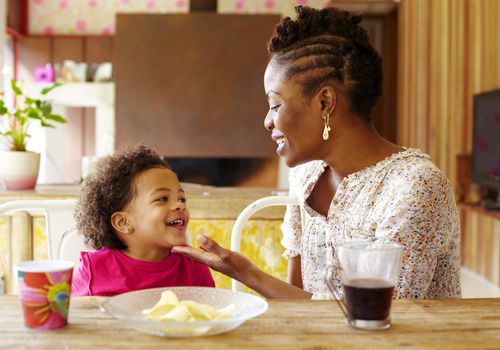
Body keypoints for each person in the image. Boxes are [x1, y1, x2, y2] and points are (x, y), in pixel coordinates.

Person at [173, 5, 461, 300]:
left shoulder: (416, 188)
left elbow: (377, 320)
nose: (267, 120)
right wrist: (245, 273)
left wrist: (251, 276)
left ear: (325, 102)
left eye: (275, 104)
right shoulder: (306, 175)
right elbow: (301, 301)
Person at [71, 144, 215, 296]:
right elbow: (76, 315)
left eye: (182, 199)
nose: (179, 205)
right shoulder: (93, 270)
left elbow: (211, 315)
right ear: (123, 222)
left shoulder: (195, 268)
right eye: (162, 198)